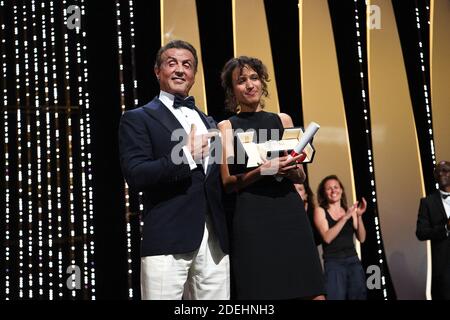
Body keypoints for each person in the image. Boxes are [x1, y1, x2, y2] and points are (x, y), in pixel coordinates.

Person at [118, 40, 230, 300]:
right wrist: (186, 157)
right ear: (158, 71)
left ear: (193, 75)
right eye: (172, 63)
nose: (180, 70)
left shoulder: (208, 120)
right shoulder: (138, 118)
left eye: (187, 65)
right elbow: (136, 175)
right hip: (168, 238)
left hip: (214, 241)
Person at [218, 56, 325, 300]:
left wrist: (290, 169)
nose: (250, 85)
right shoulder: (226, 127)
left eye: (254, 78)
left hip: (290, 212)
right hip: (252, 218)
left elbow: (300, 177)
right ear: (232, 90)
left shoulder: (282, 120)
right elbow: (227, 183)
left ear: (263, 83)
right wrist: (265, 170)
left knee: (312, 291)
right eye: (241, 80)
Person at [314, 175, 367, 300]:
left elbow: (362, 238)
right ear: (324, 193)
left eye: (336, 187)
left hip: (353, 261)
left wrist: (358, 216)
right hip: (334, 263)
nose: (333, 191)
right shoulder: (320, 210)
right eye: (329, 188)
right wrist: (345, 217)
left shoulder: (350, 211)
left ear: (341, 190)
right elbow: (327, 237)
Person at [416, 160, 450, 300]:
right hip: (444, 269)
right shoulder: (427, 202)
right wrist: (446, 227)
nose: (441, 173)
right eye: (438, 171)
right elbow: (421, 233)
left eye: (445, 170)